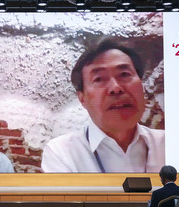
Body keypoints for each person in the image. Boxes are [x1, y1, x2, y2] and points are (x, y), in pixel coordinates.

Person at [41, 37, 165, 173]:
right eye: (99, 79)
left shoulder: (169, 144)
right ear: (82, 99)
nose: (116, 88)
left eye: (124, 74)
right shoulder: (63, 153)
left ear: (142, 86)